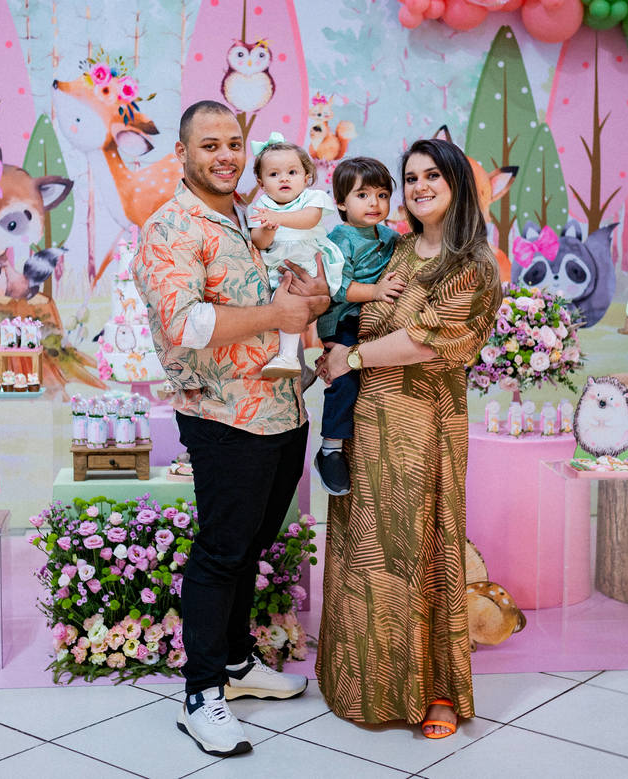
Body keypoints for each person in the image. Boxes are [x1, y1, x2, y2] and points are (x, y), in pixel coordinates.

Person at [133, 100, 330, 758]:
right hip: (224, 417)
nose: (225, 156)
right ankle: (201, 693)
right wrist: (276, 312)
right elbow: (185, 323)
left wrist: (311, 300)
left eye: (233, 144)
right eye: (209, 144)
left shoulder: (249, 215)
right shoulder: (171, 226)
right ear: (182, 154)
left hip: (284, 410)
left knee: (249, 545)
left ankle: (237, 664)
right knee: (221, 552)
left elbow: (279, 299)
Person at [313, 137, 503, 739]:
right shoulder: (391, 248)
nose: (419, 187)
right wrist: (331, 349)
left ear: (457, 185)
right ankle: (358, 682)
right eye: (411, 177)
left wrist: (351, 358)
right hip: (365, 424)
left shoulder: (472, 264)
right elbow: (348, 305)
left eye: (433, 176)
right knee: (365, 551)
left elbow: (426, 340)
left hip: (423, 429)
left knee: (421, 551)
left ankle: (436, 690)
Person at [312, 156, 405, 495]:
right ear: (341, 202)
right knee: (345, 380)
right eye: (363, 195)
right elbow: (338, 287)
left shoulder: (389, 236)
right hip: (343, 319)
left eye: (382, 195)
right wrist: (376, 291)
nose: (374, 203)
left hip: (372, 320)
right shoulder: (341, 238)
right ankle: (330, 450)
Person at [248, 132, 345, 378]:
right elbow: (259, 241)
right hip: (278, 265)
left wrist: (278, 218)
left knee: (291, 300)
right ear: (261, 183)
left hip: (307, 260)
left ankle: (289, 357)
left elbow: (309, 219)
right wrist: (268, 229)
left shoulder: (312, 198)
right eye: (274, 174)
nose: (284, 178)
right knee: (274, 304)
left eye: (292, 172)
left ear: (306, 177)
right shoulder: (259, 207)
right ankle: (296, 363)